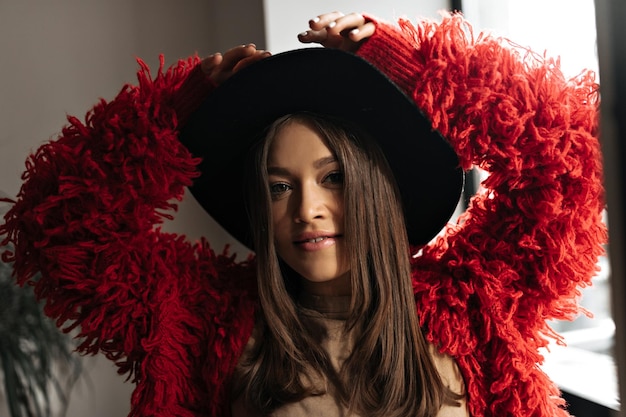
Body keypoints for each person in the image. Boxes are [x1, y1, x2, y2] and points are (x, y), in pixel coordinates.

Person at [0, 10, 606, 417]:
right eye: (279, 187)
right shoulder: (205, 320)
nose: (308, 211)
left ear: (374, 187)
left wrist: (413, 69)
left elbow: (576, 156)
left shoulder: (479, 302)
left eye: (332, 179)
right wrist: (180, 106)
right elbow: (59, 224)